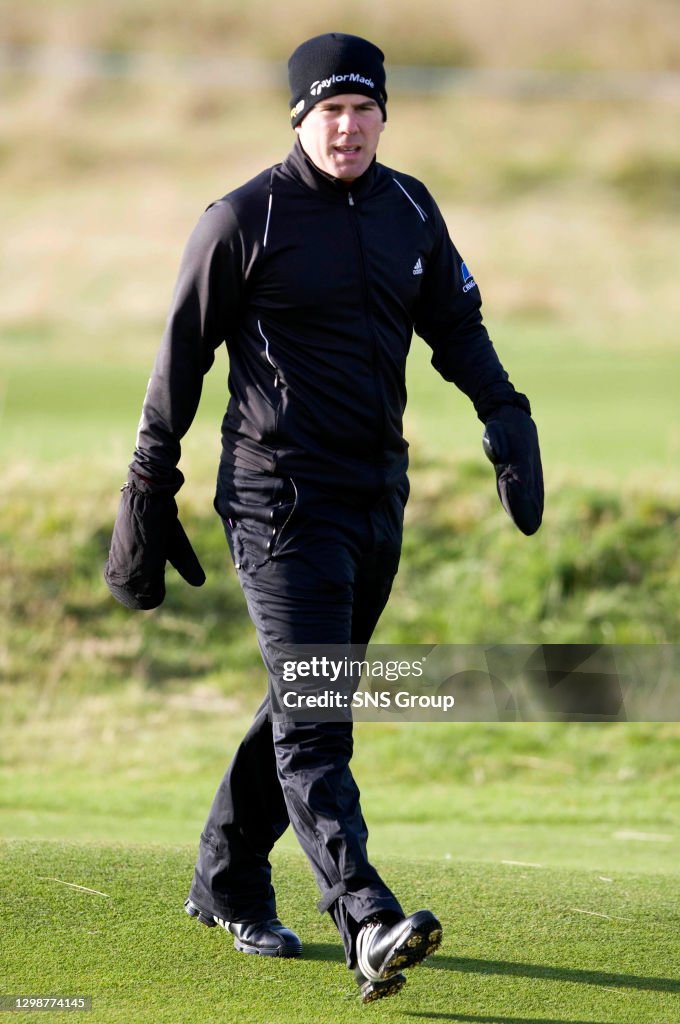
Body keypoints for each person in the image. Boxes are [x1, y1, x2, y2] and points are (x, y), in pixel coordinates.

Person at [104, 32, 543, 1003]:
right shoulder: (241, 219)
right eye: (327, 111)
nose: (346, 127)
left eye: (362, 109)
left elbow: (455, 326)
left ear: (385, 114)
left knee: (309, 693)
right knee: (316, 714)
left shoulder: (407, 208)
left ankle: (223, 873)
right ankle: (366, 916)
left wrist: (504, 410)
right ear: (298, 118)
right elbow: (180, 358)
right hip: (274, 501)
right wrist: (147, 484)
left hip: (374, 498)